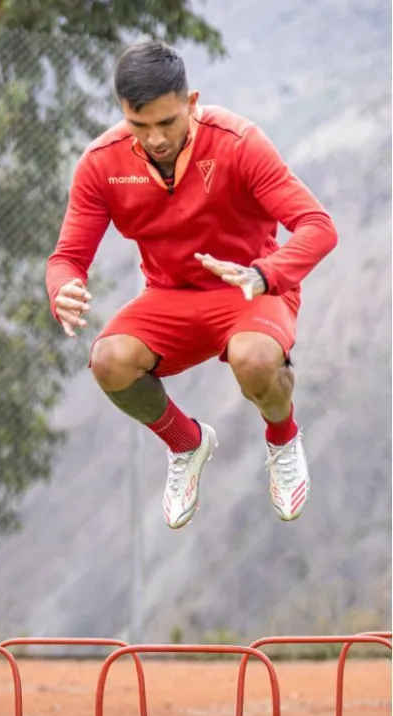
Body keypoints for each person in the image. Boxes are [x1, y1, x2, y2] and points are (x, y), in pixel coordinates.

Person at [45, 40, 338, 529]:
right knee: (108, 361)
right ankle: (187, 445)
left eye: (168, 122)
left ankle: (283, 437)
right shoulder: (101, 163)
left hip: (252, 289)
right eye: (140, 126)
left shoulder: (238, 142)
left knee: (256, 360)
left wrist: (266, 274)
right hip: (171, 297)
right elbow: (67, 258)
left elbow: (317, 225)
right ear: (123, 113)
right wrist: (63, 289)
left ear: (192, 102)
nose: (156, 138)